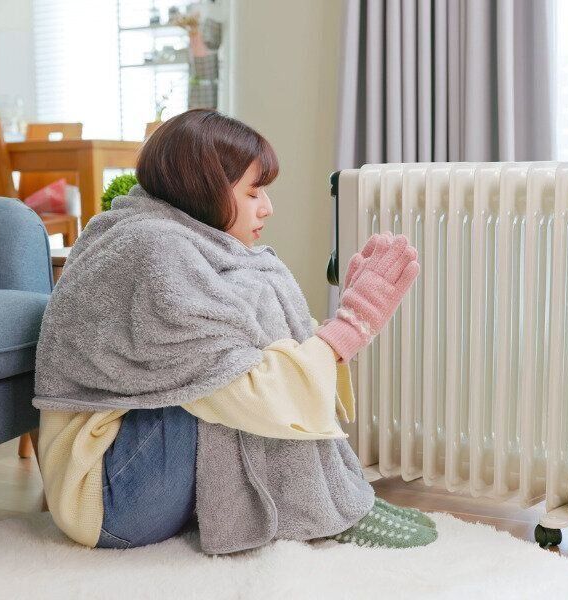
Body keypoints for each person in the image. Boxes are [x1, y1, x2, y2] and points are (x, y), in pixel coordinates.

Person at [32, 109, 436, 553]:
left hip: (136, 474)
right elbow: (246, 390)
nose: (267, 207)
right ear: (204, 188)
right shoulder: (152, 249)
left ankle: (331, 495)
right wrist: (351, 325)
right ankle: (319, 511)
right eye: (252, 192)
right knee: (231, 373)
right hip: (108, 500)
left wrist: (340, 331)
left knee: (239, 344)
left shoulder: (178, 238)